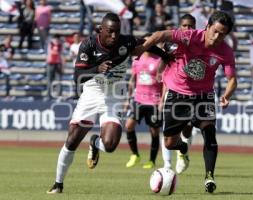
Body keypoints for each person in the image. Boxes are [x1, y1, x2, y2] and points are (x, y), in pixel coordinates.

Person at [47, 12, 169, 194]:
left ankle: (96, 143)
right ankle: (58, 184)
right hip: (92, 93)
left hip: (114, 97)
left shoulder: (125, 41)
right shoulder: (88, 45)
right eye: (110, 31)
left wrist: (166, 56)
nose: (114, 36)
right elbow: (77, 77)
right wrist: (97, 69)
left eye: (117, 32)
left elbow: (145, 43)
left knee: (110, 145)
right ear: (101, 30)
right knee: (72, 140)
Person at [141, 11, 237, 193]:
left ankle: (209, 176)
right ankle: (183, 147)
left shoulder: (225, 51)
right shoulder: (190, 36)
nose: (217, 37)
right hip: (178, 93)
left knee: (209, 131)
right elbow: (160, 35)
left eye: (222, 34)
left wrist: (227, 95)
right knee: (169, 143)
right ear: (207, 26)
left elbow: (232, 80)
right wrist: (142, 47)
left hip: (204, 95)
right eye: (215, 31)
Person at [159, 14, 196, 174]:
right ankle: (167, 164)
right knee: (167, 131)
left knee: (187, 128)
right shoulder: (169, 44)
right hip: (172, 92)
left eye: (190, 26)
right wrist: (162, 97)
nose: (187, 29)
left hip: (193, 93)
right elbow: (162, 70)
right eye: (185, 26)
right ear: (180, 27)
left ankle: (183, 152)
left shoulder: (200, 43)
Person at [124, 34, 163, 169]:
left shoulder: (158, 60)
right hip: (139, 99)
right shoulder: (137, 60)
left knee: (154, 131)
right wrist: (127, 100)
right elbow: (132, 80)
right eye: (144, 42)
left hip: (154, 101)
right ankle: (135, 154)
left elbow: (164, 82)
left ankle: (152, 160)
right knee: (129, 126)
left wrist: (162, 100)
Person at [46, 34, 65, 99]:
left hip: (57, 63)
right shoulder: (51, 43)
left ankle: (58, 94)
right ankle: (49, 95)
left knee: (58, 79)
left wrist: (62, 65)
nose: (56, 40)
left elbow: (61, 55)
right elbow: (52, 52)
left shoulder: (60, 45)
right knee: (50, 80)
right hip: (52, 62)